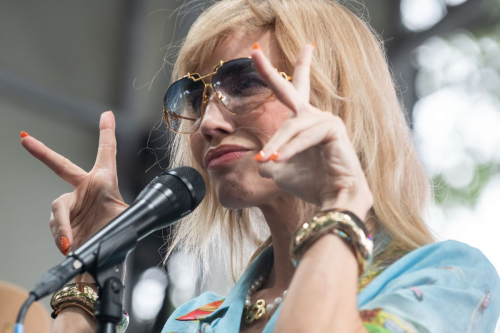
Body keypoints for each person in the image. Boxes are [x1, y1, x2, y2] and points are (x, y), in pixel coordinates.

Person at [20, 0, 500, 332]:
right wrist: (89, 268)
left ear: (335, 98)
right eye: (193, 96)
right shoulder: (193, 321)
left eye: (243, 82)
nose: (207, 121)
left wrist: (341, 201)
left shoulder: (446, 278)